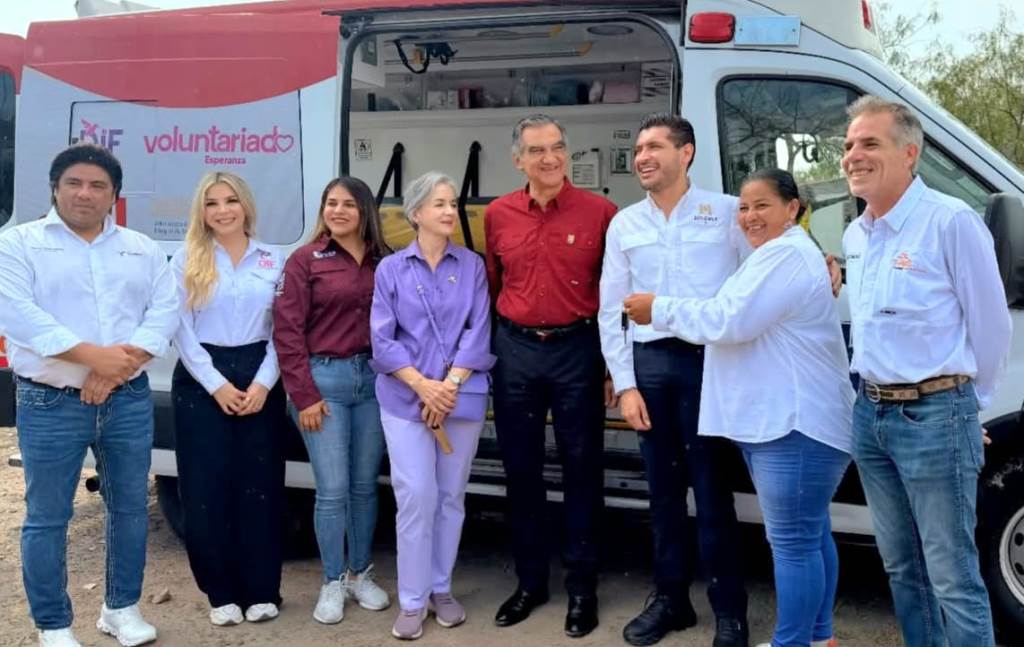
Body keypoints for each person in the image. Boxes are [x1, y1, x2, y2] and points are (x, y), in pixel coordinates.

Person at [623, 168, 854, 647]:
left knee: (793, 545)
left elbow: (730, 319)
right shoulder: (775, 254)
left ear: (793, 209)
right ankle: (818, 639)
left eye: (762, 205)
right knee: (810, 535)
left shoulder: (786, 255)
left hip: (794, 426)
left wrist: (658, 308)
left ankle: (793, 642)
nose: (749, 216)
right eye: (744, 207)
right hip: (782, 424)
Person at [841, 96, 1011, 646]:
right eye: (848, 144)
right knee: (901, 569)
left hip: (934, 417)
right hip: (870, 417)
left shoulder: (950, 222)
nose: (852, 155)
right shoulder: (856, 235)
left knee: (952, 576)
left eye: (869, 143)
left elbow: (992, 327)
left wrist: (967, 408)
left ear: (909, 153)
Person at [0, 143, 177, 647]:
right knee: (48, 517)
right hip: (49, 401)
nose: (85, 193)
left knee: (129, 508)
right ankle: (53, 624)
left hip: (127, 398)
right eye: (74, 183)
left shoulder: (140, 248)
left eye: (98, 185)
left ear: (114, 194)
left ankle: (121, 609)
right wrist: (95, 359)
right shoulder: (19, 244)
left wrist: (116, 369)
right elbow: (20, 316)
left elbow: (164, 311)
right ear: (55, 188)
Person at [598, 113, 750, 647]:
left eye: (655, 147)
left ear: (686, 153)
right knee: (663, 496)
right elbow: (610, 310)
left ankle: (729, 611)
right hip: (651, 369)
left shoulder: (727, 212)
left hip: (710, 365)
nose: (642, 156)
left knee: (713, 495)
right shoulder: (625, 224)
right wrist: (626, 385)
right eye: (639, 148)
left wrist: (823, 260)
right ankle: (670, 600)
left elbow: (767, 265)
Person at [485, 114, 618, 638]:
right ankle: (530, 583)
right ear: (518, 160)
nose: (550, 158)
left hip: (577, 350)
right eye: (537, 150)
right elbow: (495, 283)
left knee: (583, 471)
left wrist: (610, 365)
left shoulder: (601, 212)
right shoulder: (498, 214)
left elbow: (613, 292)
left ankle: (582, 589)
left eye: (557, 147)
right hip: (515, 349)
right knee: (521, 472)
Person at [370, 171, 495, 640]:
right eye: (439, 203)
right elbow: (382, 340)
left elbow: (478, 330)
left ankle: (441, 588)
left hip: (459, 397)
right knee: (416, 496)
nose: (449, 211)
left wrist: (449, 386)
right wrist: (424, 387)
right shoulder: (390, 269)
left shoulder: (472, 266)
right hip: (405, 398)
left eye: (452, 203)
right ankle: (413, 599)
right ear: (416, 212)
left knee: (450, 496)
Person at [272, 177, 392, 624]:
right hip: (323, 383)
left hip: (374, 382)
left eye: (348, 204)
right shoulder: (305, 260)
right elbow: (287, 332)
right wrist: (304, 395)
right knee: (333, 489)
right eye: (330, 203)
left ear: (365, 211)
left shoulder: (386, 260)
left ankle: (360, 573)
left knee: (364, 485)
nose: (337, 211)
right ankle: (332, 581)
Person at [170, 171, 286, 626]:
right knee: (206, 488)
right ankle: (221, 594)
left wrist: (263, 383)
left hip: (260, 373)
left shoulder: (273, 259)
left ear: (246, 205)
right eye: (212, 203)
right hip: (202, 377)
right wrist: (215, 383)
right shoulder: (185, 259)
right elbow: (179, 327)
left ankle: (262, 590)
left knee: (260, 486)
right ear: (201, 211)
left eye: (231, 200)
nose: (223, 210)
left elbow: (284, 328)